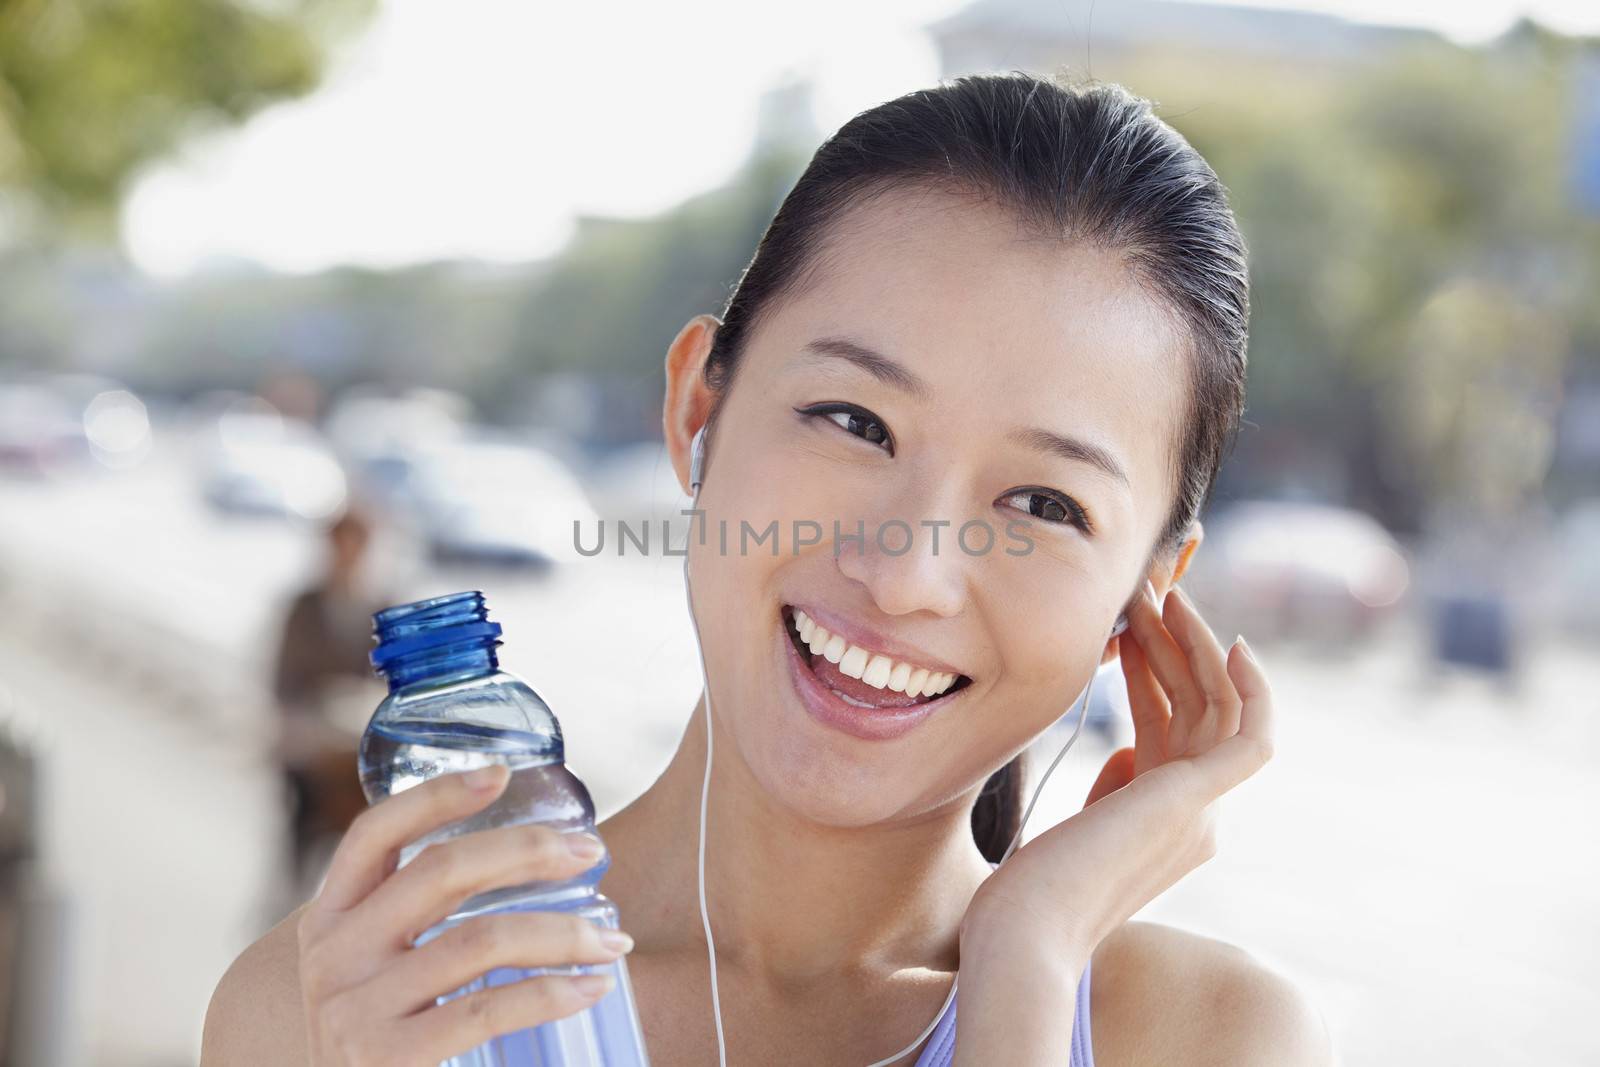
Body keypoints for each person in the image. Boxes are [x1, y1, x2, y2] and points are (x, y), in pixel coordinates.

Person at [202, 73, 1332, 1065]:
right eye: (853, 418)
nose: (906, 574)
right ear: (699, 406)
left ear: (1147, 588)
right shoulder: (342, 1016)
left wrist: (1026, 961)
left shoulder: (1213, 1041)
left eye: (1043, 502)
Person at [272, 507, 389, 897]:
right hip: (310, 749)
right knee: (304, 842)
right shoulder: (305, 606)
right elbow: (283, 682)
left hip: (360, 751)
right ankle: (291, 910)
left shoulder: (383, 607)